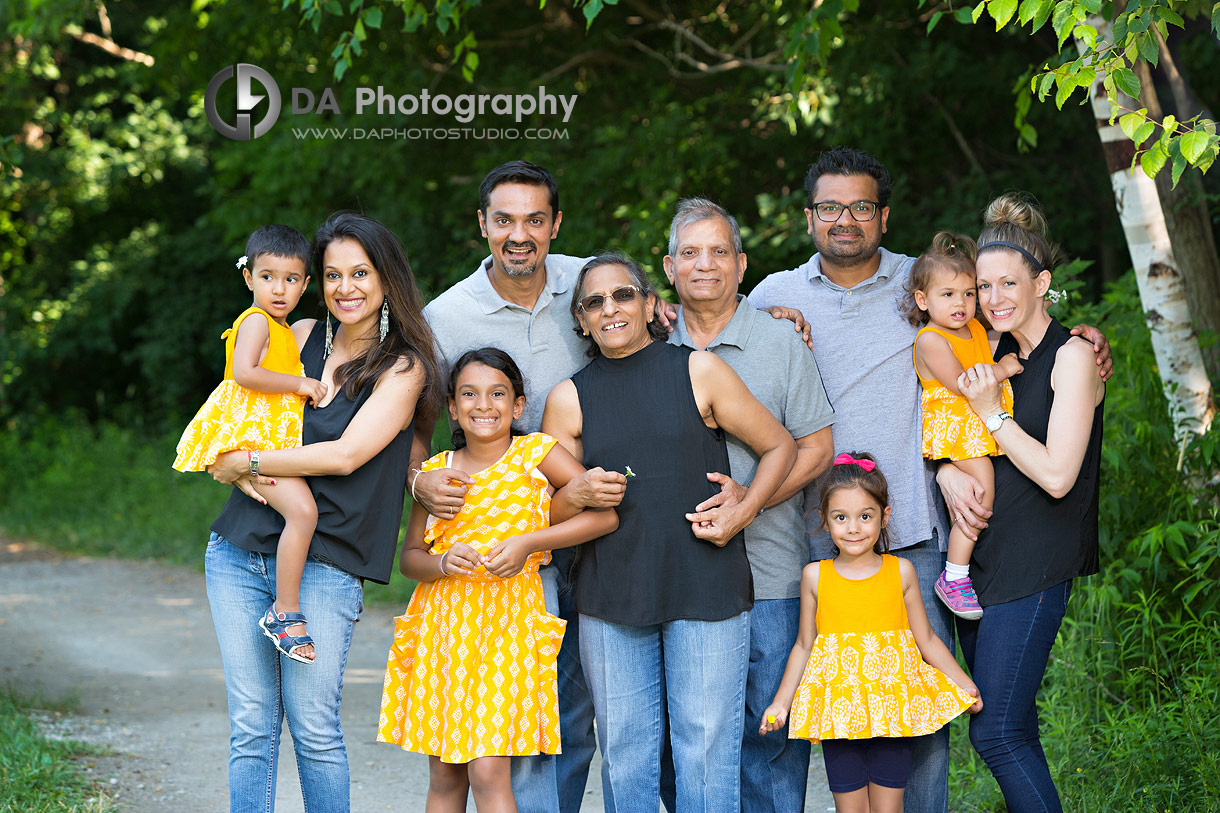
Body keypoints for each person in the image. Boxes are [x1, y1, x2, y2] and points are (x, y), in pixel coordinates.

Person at [748, 146, 1112, 813]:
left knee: (933, 725)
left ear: (884, 216)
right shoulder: (775, 295)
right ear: (808, 217)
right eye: (830, 207)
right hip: (824, 534)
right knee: (846, 710)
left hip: (922, 534)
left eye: (861, 206)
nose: (846, 220)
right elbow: (705, 338)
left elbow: (1014, 348)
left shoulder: (928, 285)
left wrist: (1082, 339)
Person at [204, 212, 443, 812]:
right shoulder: (298, 333)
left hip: (328, 563)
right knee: (252, 728)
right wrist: (223, 455)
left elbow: (344, 455)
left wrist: (246, 463)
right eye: (333, 274)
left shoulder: (404, 366)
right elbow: (238, 402)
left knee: (314, 730)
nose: (346, 288)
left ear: (387, 279)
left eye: (360, 272)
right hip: (239, 550)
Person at [543, 252, 797, 812]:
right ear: (581, 320)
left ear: (650, 303)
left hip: (706, 581)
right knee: (628, 757)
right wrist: (574, 495)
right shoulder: (568, 399)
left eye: (623, 295)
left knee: (706, 750)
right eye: (594, 303)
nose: (610, 309)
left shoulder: (697, 369)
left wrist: (746, 506)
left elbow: (781, 445)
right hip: (610, 592)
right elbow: (549, 512)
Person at [411, 160, 605, 813]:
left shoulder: (596, 285)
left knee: (572, 721)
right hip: (502, 566)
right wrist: (418, 483)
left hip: (598, 531)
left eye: (534, 219)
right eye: (504, 220)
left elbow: (673, 323)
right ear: (483, 225)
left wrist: (777, 310)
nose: (519, 234)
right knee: (516, 738)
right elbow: (411, 421)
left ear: (555, 224)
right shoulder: (445, 317)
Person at [378, 348, 617, 812]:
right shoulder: (434, 474)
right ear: (452, 406)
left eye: (497, 394)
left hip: (508, 629)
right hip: (443, 630)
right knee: (446, 772)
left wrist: (530, 542)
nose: (482, 405)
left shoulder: (536, 453)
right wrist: (443, 562)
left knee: (488, 769)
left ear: (518, 406)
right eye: (469, 393)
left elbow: (603, 516)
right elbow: (410, 560)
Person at [661, 198, 835, 813]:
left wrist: (750, 504)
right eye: (689, 253)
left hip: (769, 569)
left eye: (717, 252)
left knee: (768, 736)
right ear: (669, 267)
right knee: (677, 744)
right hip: (669, 576)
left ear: (741, 264)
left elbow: (816, 448)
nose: (704, 265)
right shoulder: (642, 339)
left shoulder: (779, 340)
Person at [953, 193, 1106, 811]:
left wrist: (992, 415)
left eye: (1007, 283)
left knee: (996, 733)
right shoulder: (987, 351)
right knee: (1009, 730)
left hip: (1036, 562)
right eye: (983, 285)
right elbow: (946, 432)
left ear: (1042, 283)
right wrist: (945, 475)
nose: (993, 298)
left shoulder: (1072, 356)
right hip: (983, 562)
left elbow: (1059, 475)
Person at [760, 453, 981, 813]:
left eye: (865, 516)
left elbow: (926, 639)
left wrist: (962, 683)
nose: (853, 528)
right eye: (841, 517)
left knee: (888, 809)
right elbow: (804, 645)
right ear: (825, 521)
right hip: (839, 715)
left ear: (884, 517)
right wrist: (781, 703)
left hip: (893, 712)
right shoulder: (815, 576)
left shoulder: (902, 571)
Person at [175, 225, 327, 664]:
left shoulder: (280, 327)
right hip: (254, 435)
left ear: (305, 284)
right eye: (267, 276)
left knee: (301, 511)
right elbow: (244, 372)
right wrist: (299, 383)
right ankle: (285, 611)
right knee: (303, 512)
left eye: (291, 279)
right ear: (249, 278)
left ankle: (284, 606)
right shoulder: (258, 321)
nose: (279, 288)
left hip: (264, 437)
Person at [902, 232, 1022, 621]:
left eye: (969, 294)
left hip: (978, 423)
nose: (962, 303)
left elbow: (1008, 324)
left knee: (981, 495)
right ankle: (954, 577)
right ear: (924, 300)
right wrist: (1003, 368)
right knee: (981, 494)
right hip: (957, 428)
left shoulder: (972, 328)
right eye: (948, 294)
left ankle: (963, 570)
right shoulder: (930, 339)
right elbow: (965, 384)